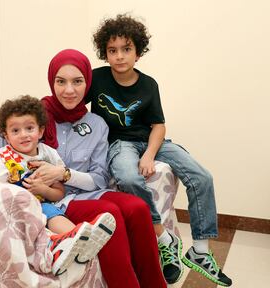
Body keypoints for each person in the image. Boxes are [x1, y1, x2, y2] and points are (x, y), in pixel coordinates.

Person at [85, 13, 232, 287]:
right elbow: (71, 100)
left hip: (153, 140)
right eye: (112, 50)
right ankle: (164, 239)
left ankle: (199, 251)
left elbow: (159, 126)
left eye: (126, 49)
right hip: (120, 143)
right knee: (129, 177)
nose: (120, 56)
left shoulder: (149, 84)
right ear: (105, 53)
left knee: (202, 177)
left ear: (138, 52)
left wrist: (150, 155)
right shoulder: (97, 79)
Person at [22, 49, 167, 287]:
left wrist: (64, 173)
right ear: (51, 81)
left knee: (139, 208)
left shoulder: (97, 124)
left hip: (89, 191)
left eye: (77, 82)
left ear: (87, 83)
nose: (69, 90)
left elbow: (99, 178)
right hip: (56, 201)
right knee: (110, 214)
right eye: (61, 81)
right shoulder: (33, 119)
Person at [0, 95, 115, 277]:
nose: (23, 134)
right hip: (14, 207)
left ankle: (78, 238)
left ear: (40, 131)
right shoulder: (2, 156)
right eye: (15, 131)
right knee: (37, 220)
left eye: (29, 128)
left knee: (53, 214)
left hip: (44, 205)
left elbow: (59, 193)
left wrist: (43, 190)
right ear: (6, 136)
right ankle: (58, 246)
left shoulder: (49, 155)